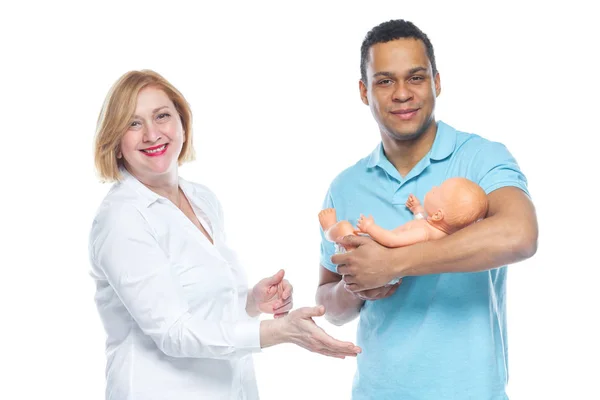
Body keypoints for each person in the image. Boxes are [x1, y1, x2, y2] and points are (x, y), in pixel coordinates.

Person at [89, 69, 361, 400]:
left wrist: (251, 302)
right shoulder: (122, 218)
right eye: (133, 124)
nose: (151, 134)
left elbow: (206, 310)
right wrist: (277, 332)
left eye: (162, 116)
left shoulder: (201, 199)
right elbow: (174, 332)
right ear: (116, 144)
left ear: (182, 125)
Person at [316, 19, 538, 399]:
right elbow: (329, 305)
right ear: (363, 90)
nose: (402, 93)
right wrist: (359, 285)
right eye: (384, 81)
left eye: (415, 77)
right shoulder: (345, 186)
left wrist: (394, 262)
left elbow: (520, 235)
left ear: (436, 82)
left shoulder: (481, 158)